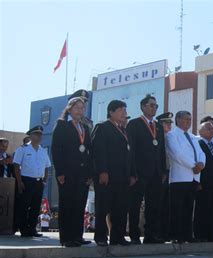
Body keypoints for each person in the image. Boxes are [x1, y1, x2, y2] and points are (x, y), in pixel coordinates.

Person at [92, 100, 135, 246]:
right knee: (103, 207)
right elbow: (99, 151)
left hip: (122, 177)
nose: (124, 112)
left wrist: (131, 174)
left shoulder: (123, 130)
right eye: (121, 110)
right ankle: (101, 237)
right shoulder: (103, 127)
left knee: (120, 208)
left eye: (125, 109)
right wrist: (102, 171)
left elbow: (129, 154)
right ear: (111, 112)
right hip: (108, 176)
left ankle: (118, 237)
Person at [51, 96, 93, 247]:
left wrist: (89, 174)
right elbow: (56, 150)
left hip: (82, 174)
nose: (80, 111)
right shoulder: (62, 125)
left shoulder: (85, 127)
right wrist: (60, 172)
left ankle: (77, 236)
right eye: (77, 107)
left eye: (82, 108)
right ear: (69, 108)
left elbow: (88, 151)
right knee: (67, 204)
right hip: (67, 173)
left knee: (79, 205)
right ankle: (67, 238)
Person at [126, 95, 167, 245]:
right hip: (139, 173)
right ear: (143, 107)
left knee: (154, 205)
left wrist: (163, 170)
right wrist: (132, 172)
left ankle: (151, 235)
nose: (154, 108)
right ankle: (134, 235)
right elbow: (131, 150)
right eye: (151, 105)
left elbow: (161, 150)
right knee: (135, 205)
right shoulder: (134, 124)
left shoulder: (158, 127)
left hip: (156, 173)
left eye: (156, 106)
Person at [166, 111, 205, 244]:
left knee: (189, 208)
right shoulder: (171, 135)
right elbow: (177, 154)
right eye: (186, 119)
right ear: (178, 120)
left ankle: (188, 234)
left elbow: (201, 153)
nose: (189, 121)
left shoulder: (193, 137)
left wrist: (201, 164)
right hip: (179, 177)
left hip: (193, 177)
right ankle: (176, 235)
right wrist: (193, 165)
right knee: (177, 208)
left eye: (190, 119)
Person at [13, 125, 51, 237]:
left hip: (39, 182)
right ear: (30, 135)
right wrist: (19, 182)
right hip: (26, 180)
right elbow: (16, 165)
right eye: (36, 134)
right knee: (24, 206)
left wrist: (44, 180)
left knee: (36, 206)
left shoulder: (43, 151)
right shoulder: (23, 149)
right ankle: (24, 229)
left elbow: (47, 166)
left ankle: (32, 228)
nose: (39, 137)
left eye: (40, 135)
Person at [194, 121, 213, 242]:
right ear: (200, 131)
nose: (212, 130)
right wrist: (198, 183)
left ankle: (212, 233)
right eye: (208, 128)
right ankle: (201, 234)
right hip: (204, 184)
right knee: (202, 210)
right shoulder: (198, 143)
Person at [155, 111, 174, 241]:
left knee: (168, 205)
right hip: (161, 173)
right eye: (167, 123)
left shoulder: (170, 137)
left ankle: (167, 231)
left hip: (171, 173)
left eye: (169, 123)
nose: (169, 125)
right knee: (159, 204)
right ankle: (159, 232)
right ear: (161, 124)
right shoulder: (158, 136)